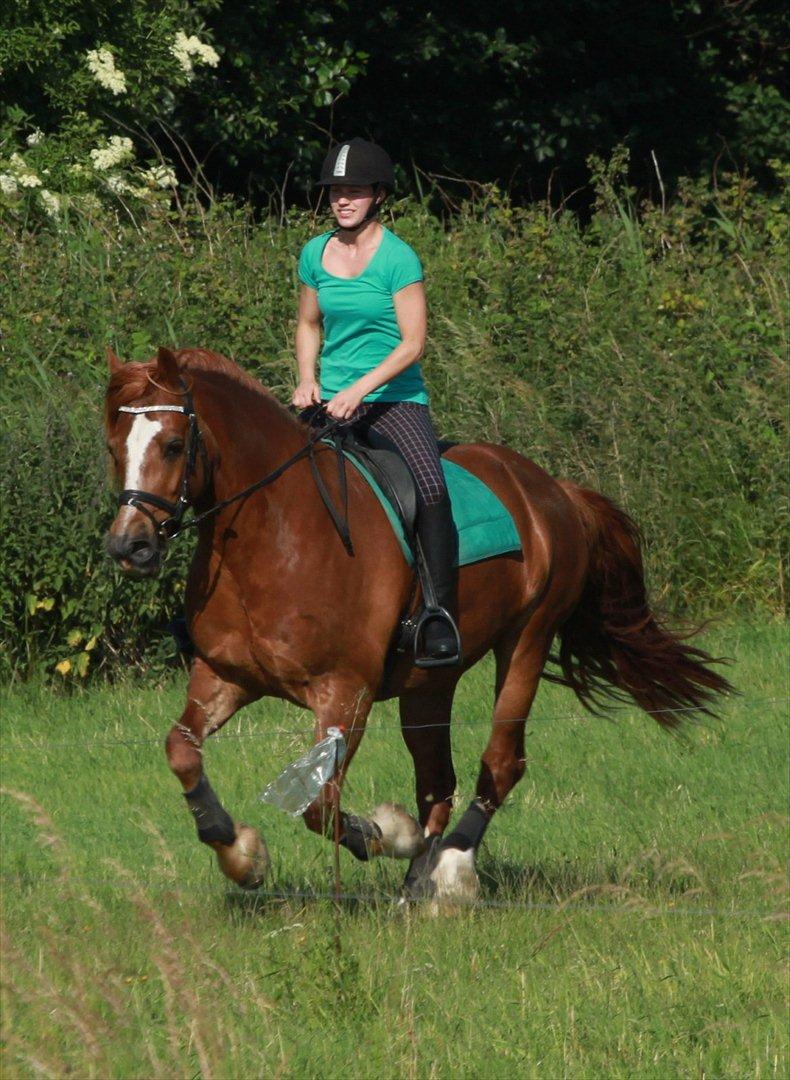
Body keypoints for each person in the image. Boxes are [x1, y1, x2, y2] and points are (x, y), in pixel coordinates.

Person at [293, 137, 460, 665]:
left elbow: (413, 344)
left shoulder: (398, 258)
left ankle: (439, 615)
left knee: (431, 488)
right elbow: (307, 322)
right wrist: (305, 378)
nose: (343, 201)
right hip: (331, 400)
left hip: (393, 401)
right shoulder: (313, 253)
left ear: (378, 195)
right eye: (335, 192)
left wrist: (359, 389)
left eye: (354, 191)